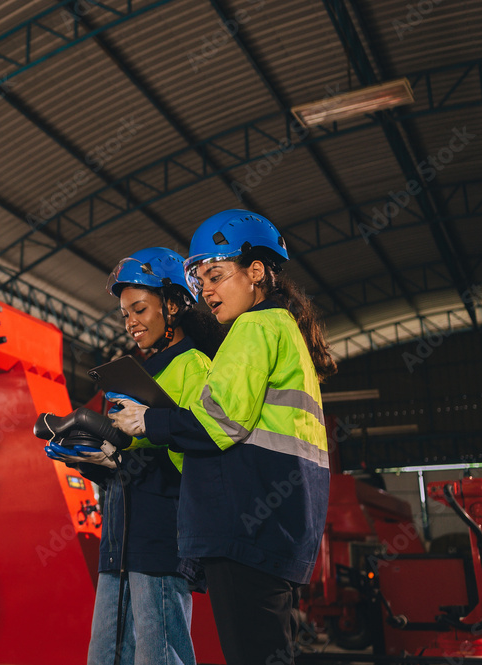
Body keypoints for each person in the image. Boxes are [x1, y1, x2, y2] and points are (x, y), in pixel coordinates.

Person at [109, 210, 336, 665]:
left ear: (255, 273)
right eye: (201, 280)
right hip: (280, 521)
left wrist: (147, 422)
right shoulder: (283, 328)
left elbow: (220, 420)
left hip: (247, 522)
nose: (206, 291)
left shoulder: (253, 327)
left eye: (215, 275)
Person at [47, 247, 224, 665]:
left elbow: (204, 444)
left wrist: (152, 433)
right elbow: (134, 457)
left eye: (140, 309)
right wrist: (97, 463)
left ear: (176, 305)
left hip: (163, 539)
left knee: (159, 655)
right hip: (121, 541)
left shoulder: (194, 365)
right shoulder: (138, 378)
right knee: (106, 655)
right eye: (125, 314)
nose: (131, 323)